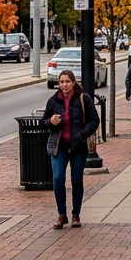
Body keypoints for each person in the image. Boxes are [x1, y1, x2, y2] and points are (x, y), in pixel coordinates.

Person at [43, 70, 100, 228]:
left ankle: (76, 214)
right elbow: (44, 120)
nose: (64, 85)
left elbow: (94, 120)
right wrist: (50, 121)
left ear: (74, 82)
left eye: (67, 81)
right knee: (58, 179)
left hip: (78, 147)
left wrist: (81, 134)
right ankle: (62, 214)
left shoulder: (83, 98)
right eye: (61, 82)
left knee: (76, 180)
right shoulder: (54, 100)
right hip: (59, 146)